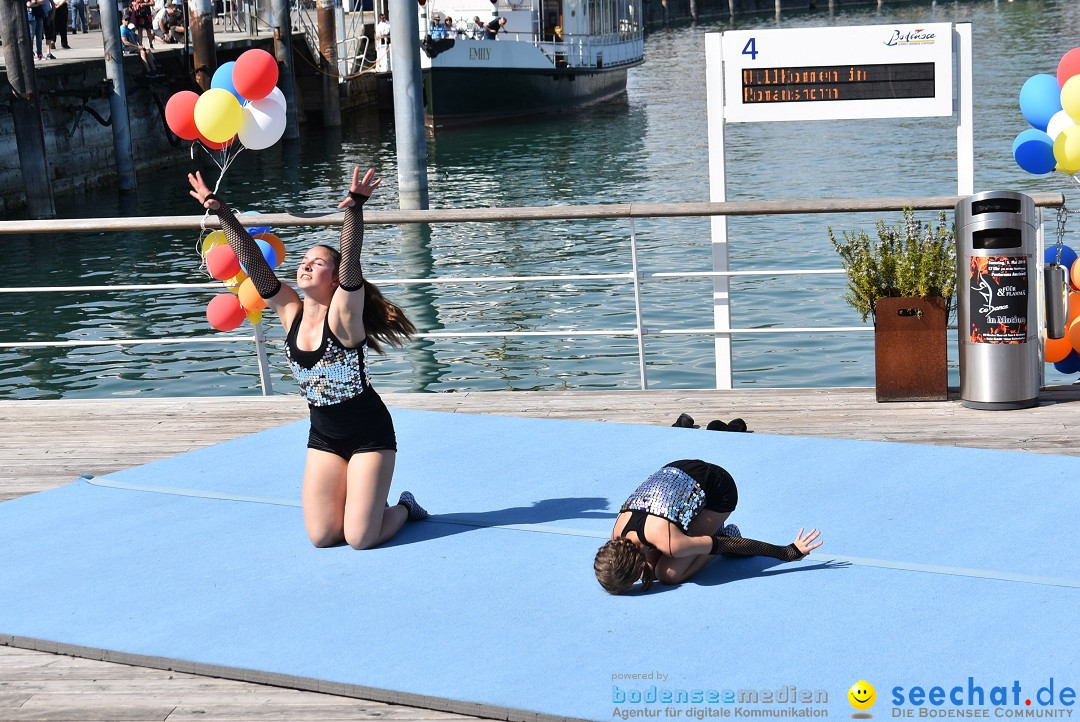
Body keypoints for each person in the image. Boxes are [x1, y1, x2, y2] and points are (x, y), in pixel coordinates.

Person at [186, 168, 428, 550]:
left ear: (333, 279)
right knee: (323, 537)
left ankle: (403, 507)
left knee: (360, 538)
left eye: (318, 262)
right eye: (304, 260)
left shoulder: (345, 317)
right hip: (325, 437)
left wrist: (355, 210)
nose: (306, 264)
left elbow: (351, 269)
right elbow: (255, 267)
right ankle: (363, 500)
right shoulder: (289, 312)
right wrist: (222, 212)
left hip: (370, 434)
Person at [593, 460, 823, 594]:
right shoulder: (617, 533)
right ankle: (686, 527)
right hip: (678, 468)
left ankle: (722, 526)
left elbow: (724, 544)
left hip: (718, 489)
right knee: (654, 567)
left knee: (668, 574)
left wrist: (788, 552)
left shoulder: (671, 543)